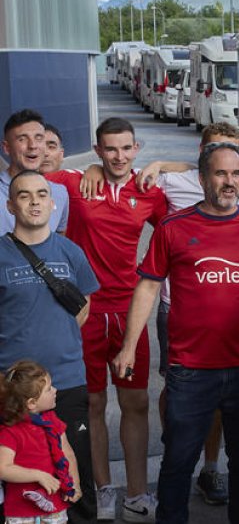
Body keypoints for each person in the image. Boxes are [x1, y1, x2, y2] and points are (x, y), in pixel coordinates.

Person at [113, 142, 239, 524]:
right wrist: (128, 346)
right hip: (190, 370)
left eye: (236, 174)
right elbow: (147, 286)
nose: (230, 182)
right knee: (178, 461)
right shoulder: (174, 228)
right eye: (221, 174)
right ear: (203, 178)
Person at [46, 117, 168, 523]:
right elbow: (30, 171)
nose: (119, 156)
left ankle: (137, 494)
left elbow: (195, 190)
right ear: (97, 150)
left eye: (126, 148)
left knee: (135, 401)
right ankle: (103, 489)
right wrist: (88, 171)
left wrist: (166, 166)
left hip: (130, 311)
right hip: (85, 313)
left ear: (136, 149)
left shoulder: (148, 191)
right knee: (93, 403)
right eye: (109, 149)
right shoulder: (77, 184)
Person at [0, 172, 99, 524]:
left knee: (75, 470)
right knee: (12, 472)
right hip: (11, 387)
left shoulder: (71, 252)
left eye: (41, 194)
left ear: (53, 201)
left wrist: (54, 338)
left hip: (65, 382)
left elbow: (83, 307)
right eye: (24, 196)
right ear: (11, 206)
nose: (35, 201)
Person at [0, 360, 81, 524]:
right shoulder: (10, 431)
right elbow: (3, 468)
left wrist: (75, 484)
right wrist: (38, 476)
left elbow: (68, 453)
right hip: (21, 512)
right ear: (31, 403)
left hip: (55, 506)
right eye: (49, 389)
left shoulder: (53, 422)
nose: (55, 391)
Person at [2, 109, 69, 235]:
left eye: (39, 138)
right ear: (6, 148)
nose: (32, 145)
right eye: (22, 139)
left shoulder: (60, 193)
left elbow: (58, 242)